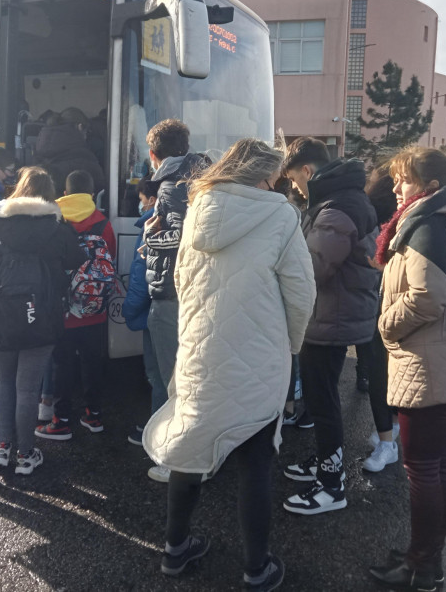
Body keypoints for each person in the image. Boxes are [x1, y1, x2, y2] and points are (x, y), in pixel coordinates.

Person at [143, 139, 315, 591]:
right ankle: (256, 569)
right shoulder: (279, 215)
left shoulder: (198, 208)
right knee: (255, 460)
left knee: (191, 447)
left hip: (200, 352)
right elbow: (301, 294)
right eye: (273, 178)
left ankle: (174, 549)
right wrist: (291, 346)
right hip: (258, 354)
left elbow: (180, 280)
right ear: (262, 176)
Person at [369, 146, 446, 592]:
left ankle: (420, 565)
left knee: (423, 467)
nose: (397, 186)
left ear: (430, 187)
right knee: (440, 464)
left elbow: (427, 297)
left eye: (404, 179)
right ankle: (428, 561)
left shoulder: (427, 225)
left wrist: (384, 325)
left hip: (430, 362)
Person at [280, 137, 380, 515]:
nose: (293, 187)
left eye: (293, 180)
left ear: (307, 171)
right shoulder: (343, 198)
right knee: (324, 399)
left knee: (323, 401)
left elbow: (313, 269)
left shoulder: (335, 209)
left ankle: (331, 485)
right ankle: (325, 460)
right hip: (334, 312)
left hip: (330, 316)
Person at [0, 166, 85, 475]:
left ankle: (1, 447)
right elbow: (77, 260)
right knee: (28, 388)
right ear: (50, 194)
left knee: (3, 380)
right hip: (43, 316)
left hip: (1, 317)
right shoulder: (56, 228)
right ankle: (25, 454)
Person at [143, 118, 210, 482]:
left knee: (173, 380)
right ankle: (161, 442)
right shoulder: (200, 176)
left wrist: (150, 239)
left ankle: (181, 459)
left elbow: (184, 239)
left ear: (154, 155)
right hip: (188, 292)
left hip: (171, 294)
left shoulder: (172, 186)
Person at [35, 170, 116, 441]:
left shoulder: (55, 219)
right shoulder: (103, 223)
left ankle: (61, 421)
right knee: (93, 362)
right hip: (94, 308)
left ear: (65, 193)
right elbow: (110, 260)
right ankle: (93, 415)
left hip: (64, 308)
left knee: (62, 364)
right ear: (92, 194)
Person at [362, 160, 401, 473]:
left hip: (380, 303)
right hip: (395, 304)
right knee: (389, 373)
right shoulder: (412, 215)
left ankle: (387, 439)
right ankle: (391, 432)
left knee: (378, 372)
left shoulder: (372, 211)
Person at [122, 174, 160, 446]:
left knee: (157, 374)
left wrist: (129, 310)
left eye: (142, 200)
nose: (140, 205)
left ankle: (157, 432)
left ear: (154, 199)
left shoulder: (151, 226)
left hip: (157, 312)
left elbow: (140, 275)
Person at [35, 110, 105, 197]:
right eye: (87, 132)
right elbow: (101, 191)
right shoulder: (87, 163)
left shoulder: (38, 156)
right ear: (80, 127)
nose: (87, 137)